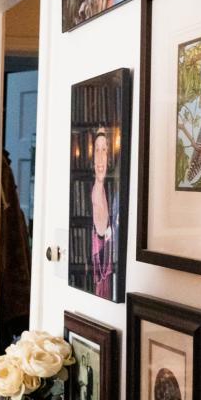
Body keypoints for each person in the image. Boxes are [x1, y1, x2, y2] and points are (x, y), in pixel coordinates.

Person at [88, 127, 117, 299]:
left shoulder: (110, 190)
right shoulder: (97, 192)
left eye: (104, 150)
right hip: (104, 284)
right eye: (97, 150)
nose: (100, 157)